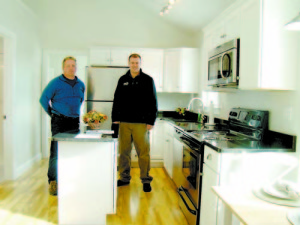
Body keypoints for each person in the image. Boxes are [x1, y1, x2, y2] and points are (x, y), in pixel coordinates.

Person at [112, 53, 158, 192]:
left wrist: (151, 121)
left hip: (141, 123)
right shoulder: (122, 79)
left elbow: (153, 101)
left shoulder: (148, 80)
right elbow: (117, 99)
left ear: (140, 63)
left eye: (137, 63)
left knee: (143, 153)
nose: (134, 65)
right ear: (128, 63)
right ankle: (124, 178)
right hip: (124, 122)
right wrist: (115, 118)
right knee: (124, 152)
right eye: (132, 63)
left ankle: (145, 179)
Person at [39, 56, 85, 196]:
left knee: (72, 151)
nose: (71, 68)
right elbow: (43, 100)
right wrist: (52, 114)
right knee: (56, 152)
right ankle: (53, 182)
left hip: (74, 121)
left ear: (76, 67)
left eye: (73, 65)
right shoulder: (55, 83)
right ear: (63, 68)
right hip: (59, 121)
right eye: (68, 66)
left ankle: (70, 179)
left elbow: (80, 100)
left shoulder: (81, 84)